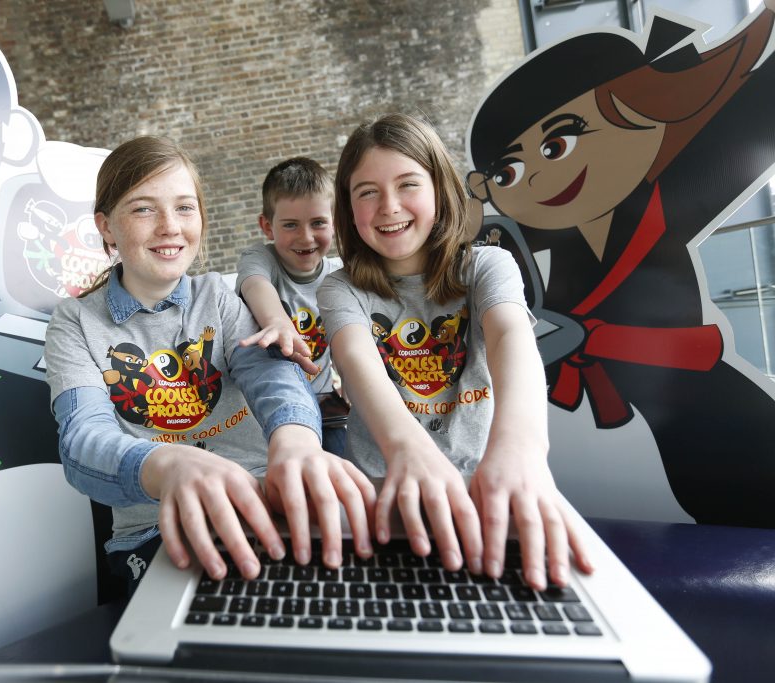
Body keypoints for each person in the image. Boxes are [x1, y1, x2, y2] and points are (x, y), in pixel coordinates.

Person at [465, 2, 775, 527]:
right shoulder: (543, 233)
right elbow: (489, 257)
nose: (536, 178)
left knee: (737, 490)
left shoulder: (669, 196)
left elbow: (750, 120)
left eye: (558, 144)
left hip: (695, 395)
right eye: (510, 171)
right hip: (593, 410)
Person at [44, 136, 375, 593]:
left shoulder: (217, 297)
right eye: (143, 209)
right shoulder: (74, 322)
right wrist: (166, 466)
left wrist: (296, 442)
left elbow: (271, 376)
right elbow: (82, 442)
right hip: (158, 530)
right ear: (106, 227)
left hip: (267, 501)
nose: (170, 227)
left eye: (184, 208)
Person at [317, 113, 593, 591]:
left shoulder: (487, 265)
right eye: (367, 192)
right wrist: (408, 449)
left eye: (408, 184)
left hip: (489, 490)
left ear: (440, 191)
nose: (389, 206)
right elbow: (357, 363)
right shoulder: (339, 289)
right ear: (348, 207)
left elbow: (510, 337)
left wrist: (522, 448)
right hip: (385, 498)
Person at [235, 157, 348, 454]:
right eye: (290, 225)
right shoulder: (261, 258)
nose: (306, 237)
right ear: (267, 226)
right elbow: (255, 283)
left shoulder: (339, 277)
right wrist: (277, 322)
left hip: (324, 403)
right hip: (270, 405)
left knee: (342, 463)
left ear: (334, 222)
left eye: (318, 223)